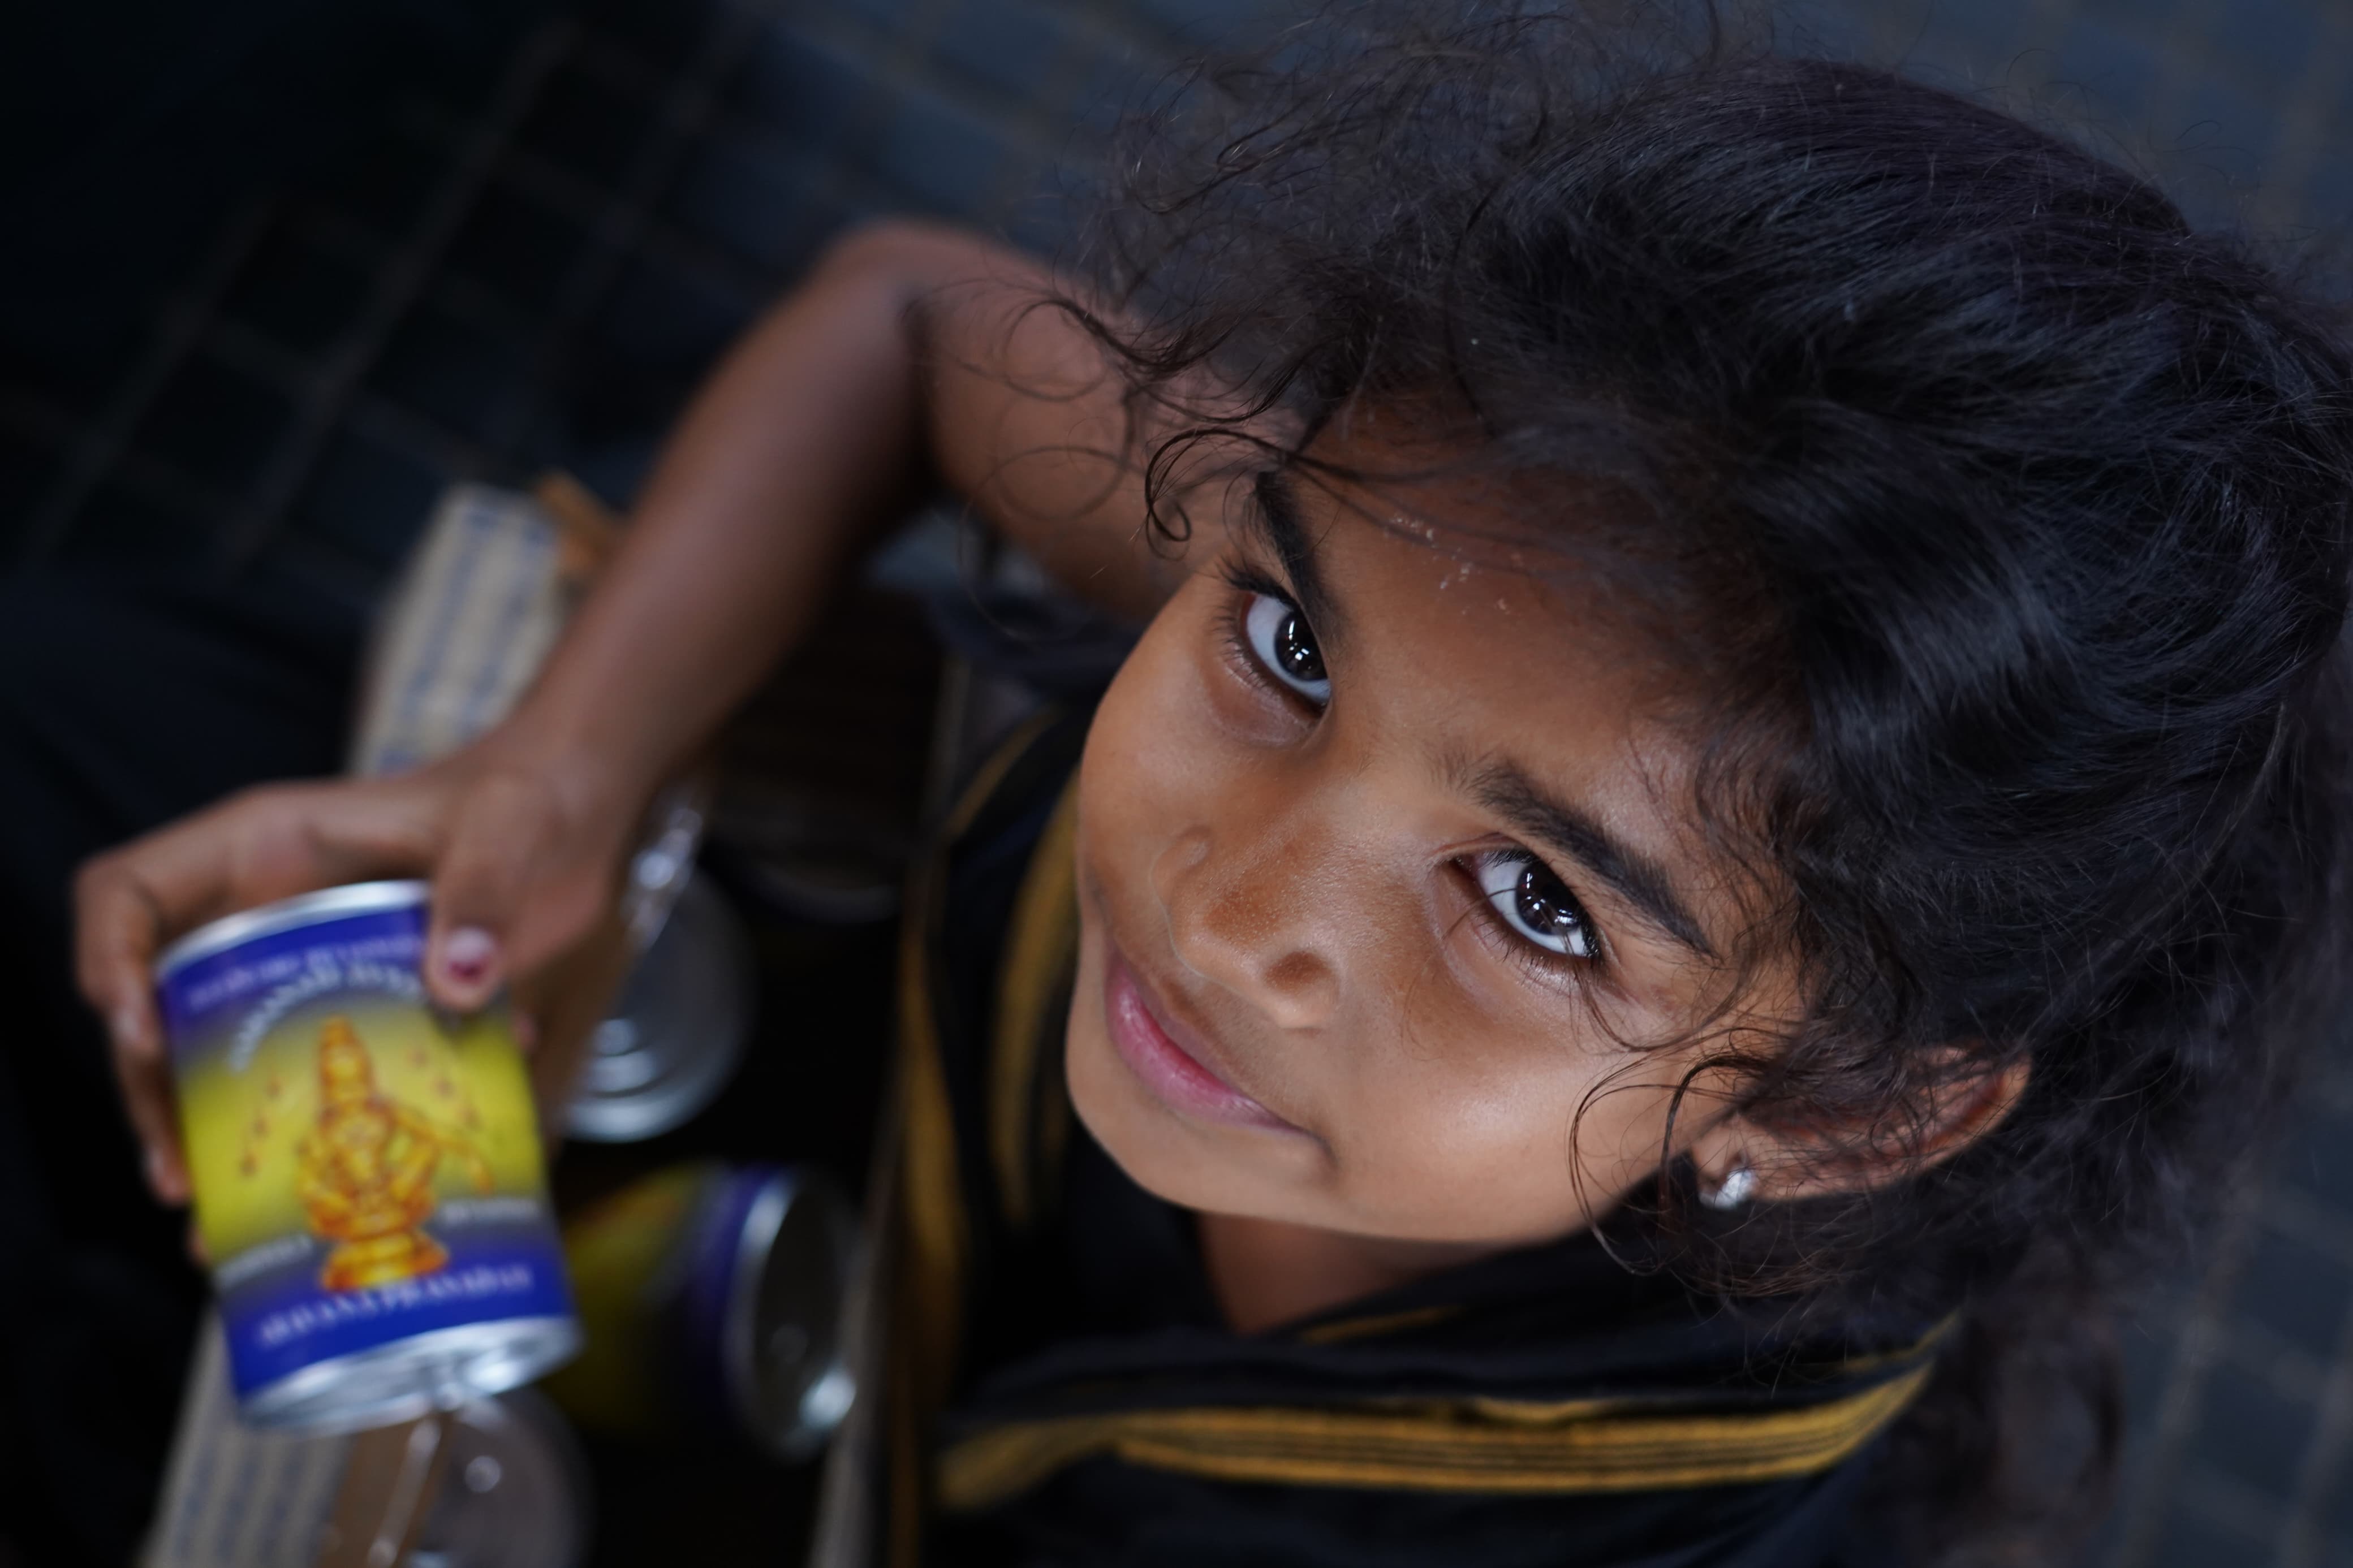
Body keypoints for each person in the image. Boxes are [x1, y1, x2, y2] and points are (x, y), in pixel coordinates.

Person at [72, 11, 2353, 1565]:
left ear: (1842, 1112)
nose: (1227, 897)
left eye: (1539, 905)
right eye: (1281, 651)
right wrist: (557, 778)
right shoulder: (1462, 534)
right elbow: (897, 324)